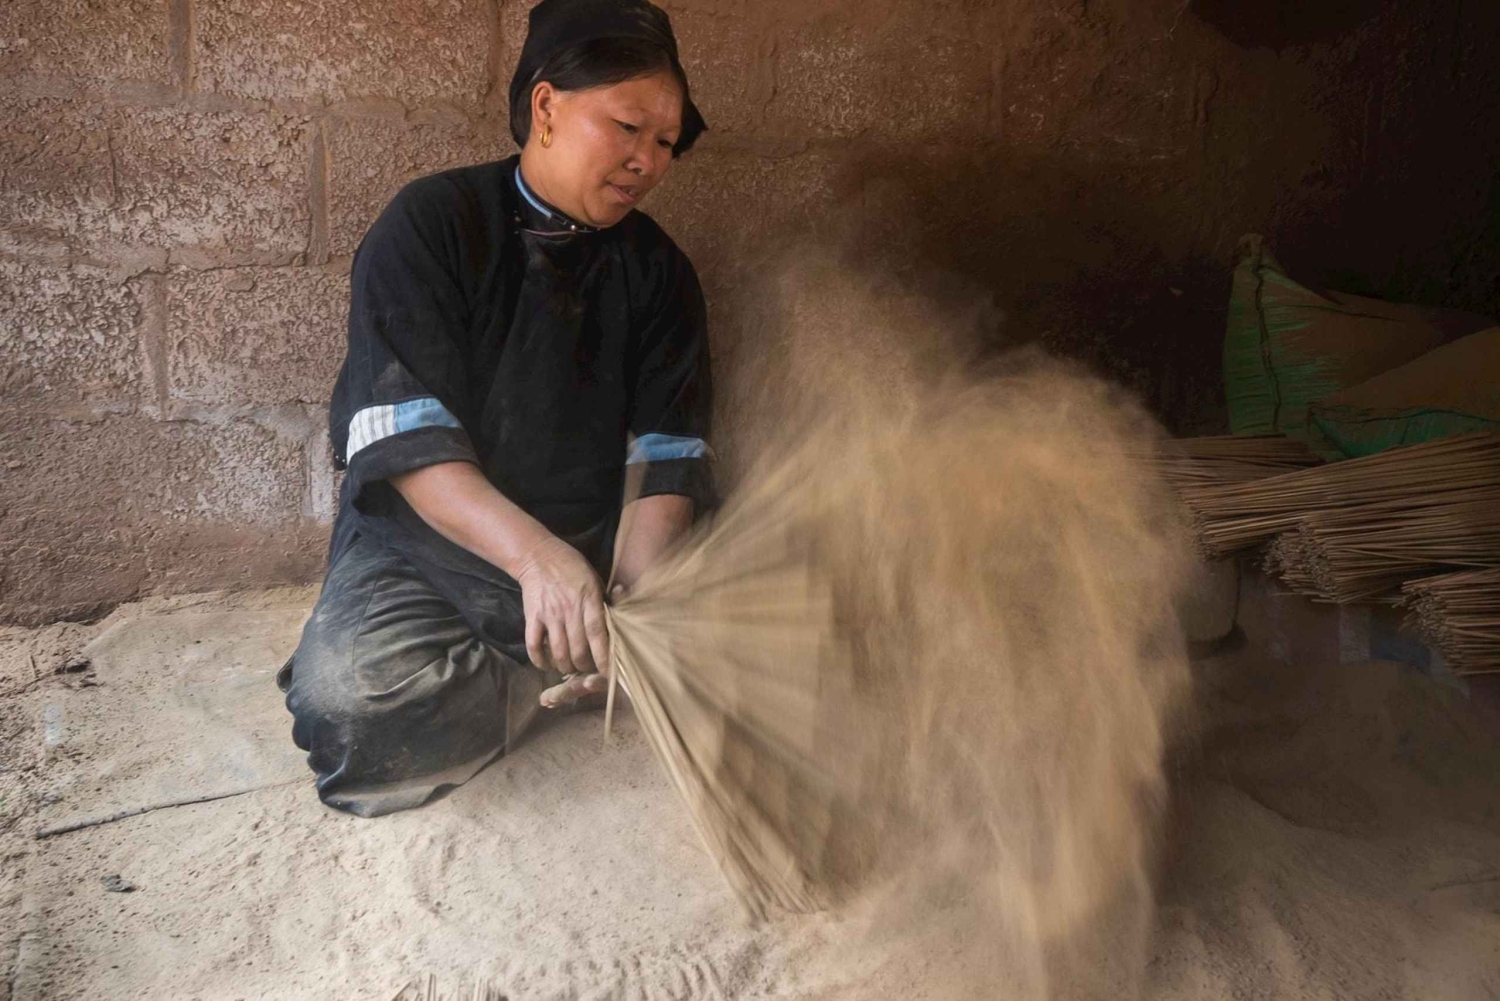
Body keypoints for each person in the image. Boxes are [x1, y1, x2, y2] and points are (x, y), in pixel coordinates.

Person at [278, 0, 713, 818]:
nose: (646, 161)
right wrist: (537, 563)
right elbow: (406, 443)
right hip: (431, 545)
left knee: (758, 646)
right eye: (626, 127)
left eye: (664, 143)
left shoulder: (660, 273)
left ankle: (571, 662)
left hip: (592, 546)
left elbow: (666, 455)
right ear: (546, 108)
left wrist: (637, 606)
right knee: (349, 703)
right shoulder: (432, 226)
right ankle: (545, 674)